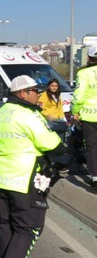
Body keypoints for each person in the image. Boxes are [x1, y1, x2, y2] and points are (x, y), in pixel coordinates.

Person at [0, 75, 65, 257]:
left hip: (1, 179)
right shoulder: (27, 115)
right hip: (25, 178)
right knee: (30, 228)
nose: (38, 94)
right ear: (23, 93)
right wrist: (62, 150)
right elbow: (50, 143)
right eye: (35, 91)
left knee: (7, 224)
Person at [71, 45, 97, 190]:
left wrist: (75, 112)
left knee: (92, 147)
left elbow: (78, 96)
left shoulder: (84, 73)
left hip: (90, 116)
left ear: (89, 57)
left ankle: (95, 177)